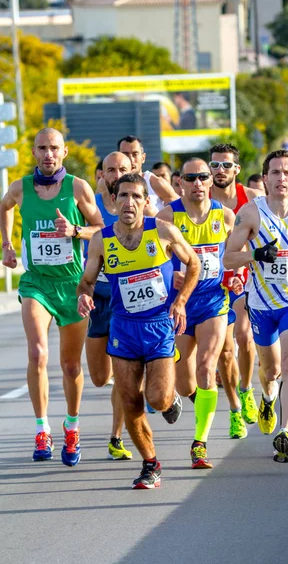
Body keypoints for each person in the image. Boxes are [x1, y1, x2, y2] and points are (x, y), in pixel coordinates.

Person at [78, 173, 200, 489]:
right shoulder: (101, 240)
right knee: (130, 400)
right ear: (114, 201)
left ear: (146, 202)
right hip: (123, 328)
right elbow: (88, 279)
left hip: (159, 325)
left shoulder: (161, 231)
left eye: (136, 196)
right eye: (123, 196)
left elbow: (195, 263)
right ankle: (150, 463)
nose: (129, 202)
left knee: (156, 400)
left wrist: (181, 301)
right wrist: (84, 294)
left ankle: (170, 397)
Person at [0, 128, 103, 466]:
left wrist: (75, 231)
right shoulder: (20, 188)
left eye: (54, 148)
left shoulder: (77, 188)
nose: (48, 154)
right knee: (38, 354)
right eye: (42, 148)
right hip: (36, 283)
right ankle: (41, 428)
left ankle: (71, 427)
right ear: (33, 152)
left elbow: (102, 229)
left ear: (64, 151)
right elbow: (4, 207)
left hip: (73, 285)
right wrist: (7, 244)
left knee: (71, 364)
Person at [224, 150, 288, 463]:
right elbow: (228, 258)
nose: (282, 178)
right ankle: (268, 397)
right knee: (269, 372)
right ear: (265, 178)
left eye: (287, 173)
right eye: (276, 173)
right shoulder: (250, 214)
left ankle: (285, 431)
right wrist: (256, 256)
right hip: (261, 305)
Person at [157, 158, 236, 468]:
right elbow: (153, 261)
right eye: (191, 178)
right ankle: (191, 398)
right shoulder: (167, 217)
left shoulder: (226, 216)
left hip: (213, 301)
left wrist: (238, 273)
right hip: (179, 304)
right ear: (181, 183)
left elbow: (235, 253)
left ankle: (200, 443)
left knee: (206, 367)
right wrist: (169, 275)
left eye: (204, 176)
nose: (198, 182)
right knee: (184, 383)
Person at [85, 151, 157, 460]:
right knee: (101, 378)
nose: (116, 174)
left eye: (123, 169)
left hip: (135, 306)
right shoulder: (89, 200)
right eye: (110, 170)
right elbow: (92, 235)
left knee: (127, 375)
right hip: (101, 296)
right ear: (101, 175)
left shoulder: (139, 201)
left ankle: (117, 435)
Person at [209, 143, 264, 436]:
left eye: (226, 165)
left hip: (244, 276)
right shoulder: (200, 198)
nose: (220, 171)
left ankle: (246, 389)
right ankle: (234, 410)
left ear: (237, 170)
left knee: (244, 337)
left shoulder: (252, 199)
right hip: (210, 283)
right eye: (215, 165)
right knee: (225, 352)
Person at [117, 135, 178, 211]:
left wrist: (156, 219)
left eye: (135, 154)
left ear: (143, 158)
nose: (131, 159)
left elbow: (181, 207)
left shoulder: (155, 182)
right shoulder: (111, 183)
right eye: (125, 154)